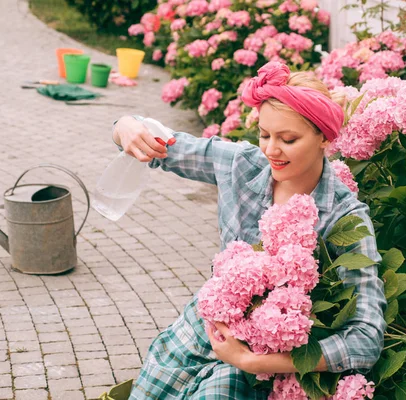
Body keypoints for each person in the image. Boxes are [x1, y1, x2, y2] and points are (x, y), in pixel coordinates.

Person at [111, 62, 387, 400]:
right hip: (194, 337)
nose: (271, 150)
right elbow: (164, 147)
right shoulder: (241, 163)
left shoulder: (346, 218)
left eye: (288, 139)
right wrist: (125, 126)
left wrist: (256, 361)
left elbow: (366, 338)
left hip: (260, 370)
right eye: (265, 134)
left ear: (324, 138)